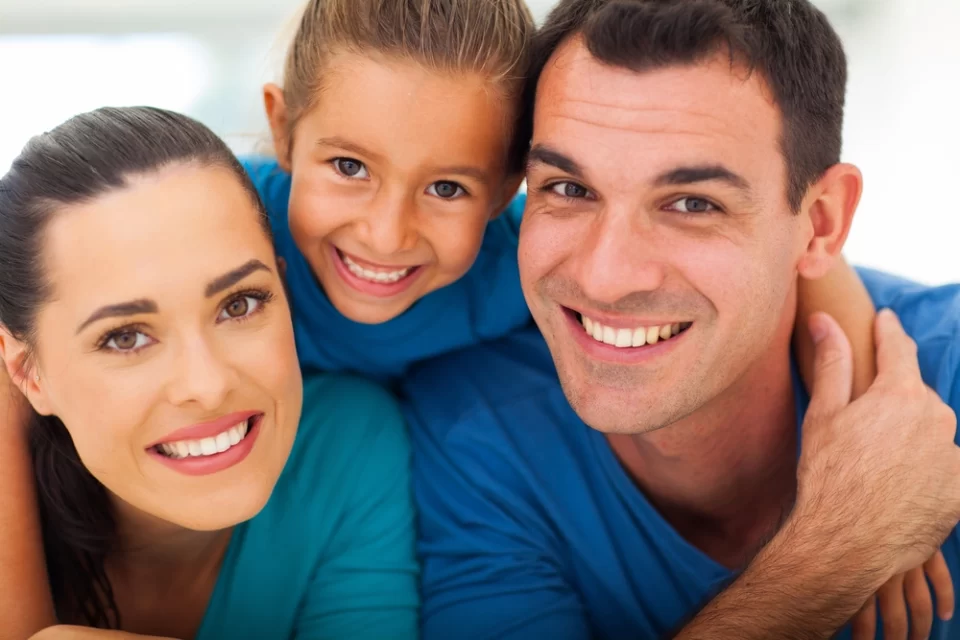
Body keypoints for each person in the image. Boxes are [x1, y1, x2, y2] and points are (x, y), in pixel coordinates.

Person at [0, 0, 926, 635]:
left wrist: (869, 436)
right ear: (282, 132)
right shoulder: (222, 218)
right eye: (347, 168)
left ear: (511, 185)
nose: (385, 234)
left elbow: (801, 259)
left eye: (448, 187)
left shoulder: (523, 269)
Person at [402, 1, 960, 639]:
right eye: (568, 188)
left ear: (822, 223)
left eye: (692, 204)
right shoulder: (473, 432)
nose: (604, 278)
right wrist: (831, 554)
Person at [0, 106, 418, 639]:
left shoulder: (347, 445)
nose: (209, 385)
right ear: (26, 372)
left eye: (240, 305)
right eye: (126, 337)